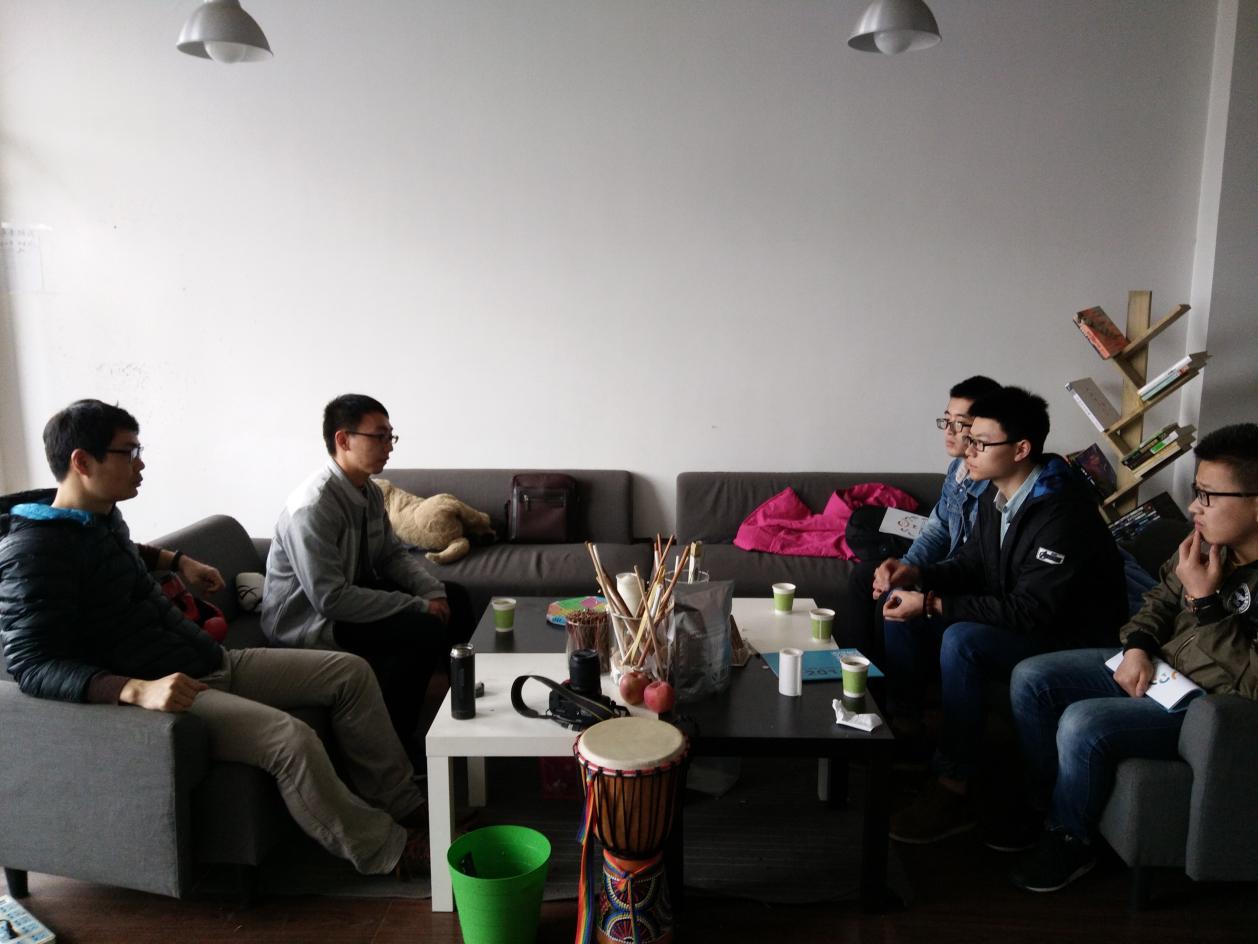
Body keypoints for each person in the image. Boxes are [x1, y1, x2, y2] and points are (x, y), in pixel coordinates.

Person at [0, 399, 427, 877]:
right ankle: (387, 850)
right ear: (82, 461)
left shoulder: (97, 516)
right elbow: (30, 664)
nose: (141, 464)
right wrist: (134, 689)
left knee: (350, 672)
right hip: (170, 688)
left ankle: (401, 802)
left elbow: (117, 554)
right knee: (290, 739)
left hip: (208, 657)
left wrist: (177, 561)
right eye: (129, 451)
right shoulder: (31, 551)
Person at [1008, 423, 1258, 893]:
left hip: (1207, 706)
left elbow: (1252, 683)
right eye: (1196, 492)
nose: (1194, 507)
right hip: (1162, 669)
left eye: (1208, 496)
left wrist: (1206, 605)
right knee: (1033, 677)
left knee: (1083, 722)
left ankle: (1071, 838)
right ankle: (1044, 809)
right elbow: (1158, 601)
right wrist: (1137, 647)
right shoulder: (1208, 545)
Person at [879, 386, 1128, 844]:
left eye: (980, 442)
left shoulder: (1061, 511)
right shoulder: (999, 496)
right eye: (968, 438)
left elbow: (1031, 610)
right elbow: (973, 563)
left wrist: (933, 603)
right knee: (909, 605)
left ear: (1021, 449)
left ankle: (953, 786)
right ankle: (912, 739)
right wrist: (917, 573)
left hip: (1074, 638)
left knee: (963, 640)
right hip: (1032, 621)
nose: (967, 450)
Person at [261, 394, 473, 749]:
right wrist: (419, 606)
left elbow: (391, 555)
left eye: (391, 437)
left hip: (350, 597)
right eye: (379, 437)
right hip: (310, 621)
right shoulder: (312, 507)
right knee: (422, 627)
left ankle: (465, 707)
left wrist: (431, 591)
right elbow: (330, 600)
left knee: (456, 597)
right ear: (343, 440)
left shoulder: (370, 493)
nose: (389, 447)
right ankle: (395, 744)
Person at [843, 375, 1002, 678]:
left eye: (960, 423)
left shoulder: (995, 486)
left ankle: (891, 694)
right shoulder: (957, 470)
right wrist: (905, 566)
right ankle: (859, 676)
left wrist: (910, 576)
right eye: (946, 420)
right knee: (865, 575)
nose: (949, 431)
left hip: (964, 581)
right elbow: (937, 528)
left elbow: (973, 564)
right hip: (948, 568)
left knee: (893, 595)